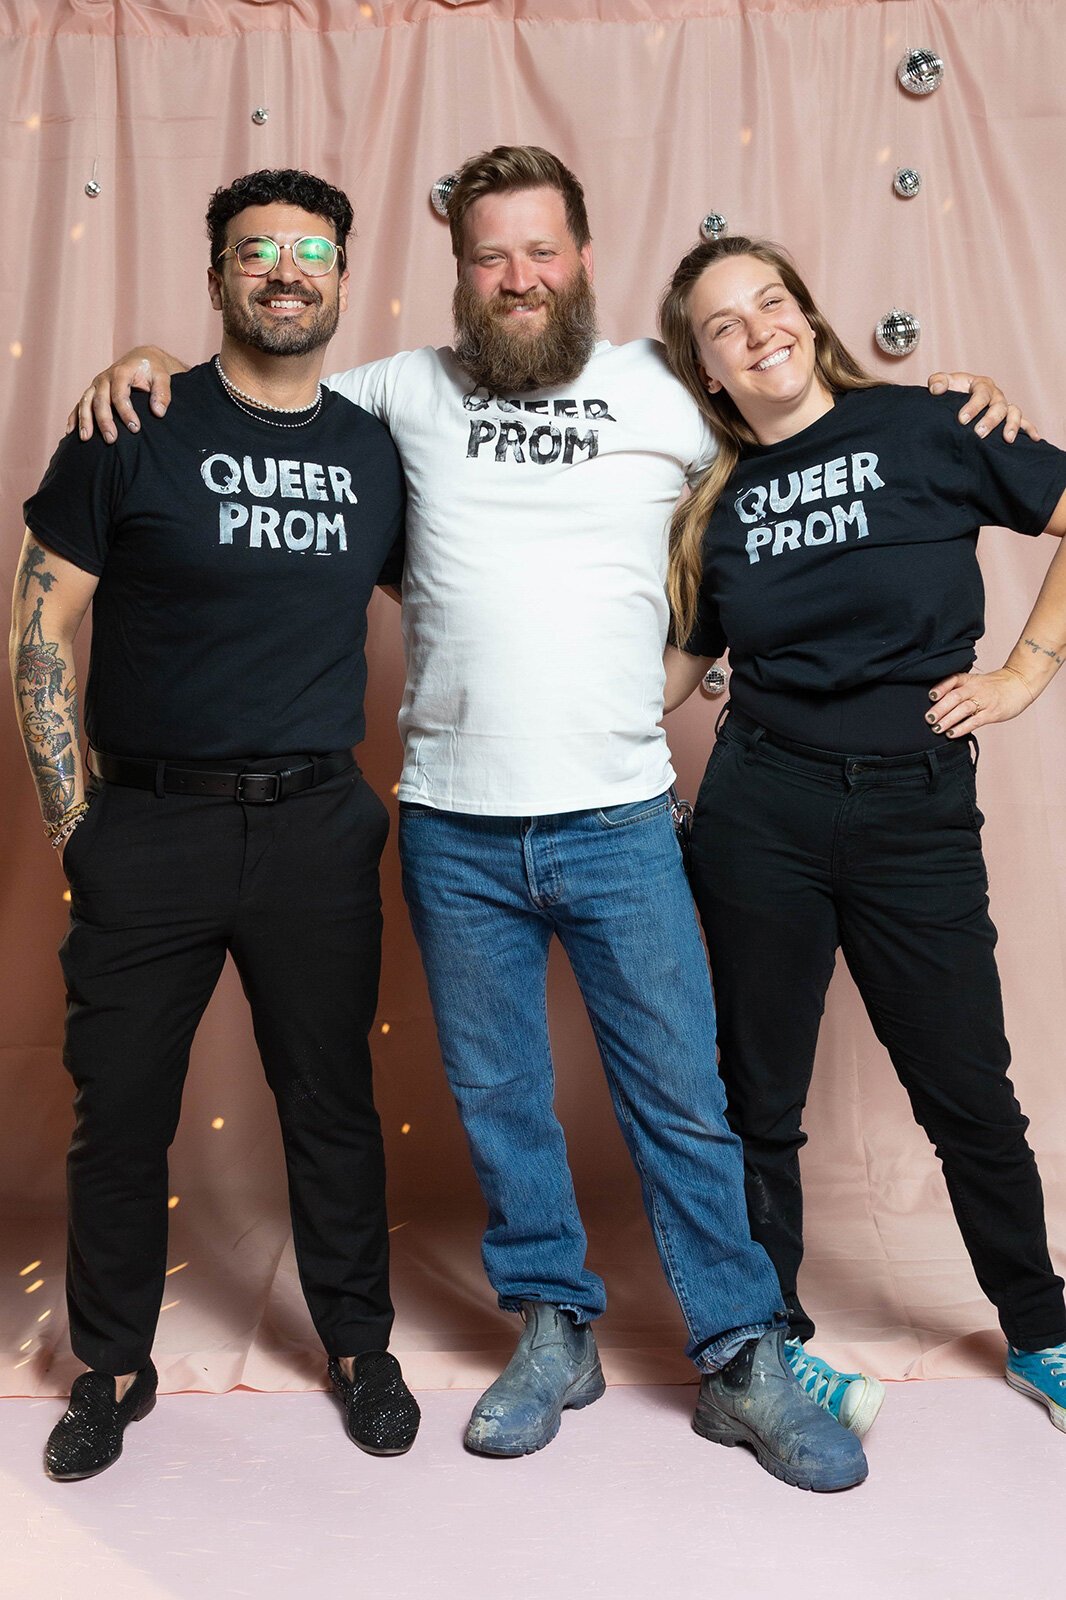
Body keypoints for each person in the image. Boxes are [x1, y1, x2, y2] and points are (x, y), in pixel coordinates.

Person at [72, 146, 1020, 1487]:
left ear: (582, 255)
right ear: (459, 274)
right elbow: (251, 388)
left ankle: (739, 1352)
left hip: (623, 818)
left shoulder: (660, 387)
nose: (516, 277)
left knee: (685, 1103)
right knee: (501, 1099)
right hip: (453, 829)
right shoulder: (398, 391)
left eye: (541, 250)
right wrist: (138, 361)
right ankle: (551, 1325)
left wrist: (936, 400)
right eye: (488, 256)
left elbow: (800, 417)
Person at [10, 168, 422, 1481]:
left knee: (333, 1105)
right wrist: (80, 824)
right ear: (218, 279)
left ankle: (360, 1346)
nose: (286, 270)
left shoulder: (375, 450)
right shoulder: (130, 423)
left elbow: (466, 600)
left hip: (315, 826)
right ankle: (112, 1366)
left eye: (311, 251)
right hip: (149, 825)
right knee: (120, 1112)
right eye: (258, 252)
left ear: (342, 280)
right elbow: (39, 626)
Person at [657, 233, 1066, 1437]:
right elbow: (672, 674)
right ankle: (769, 1347)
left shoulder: (929, 426)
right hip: (759, 812)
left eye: (769, 302)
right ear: (707, 370)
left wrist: (1024, 671)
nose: (756, 330)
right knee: (757, 1100)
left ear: (806, 312)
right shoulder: (711, 504)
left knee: (968, 1091)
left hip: (913, 811)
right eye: (722, 326)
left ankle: (1042, 1330)